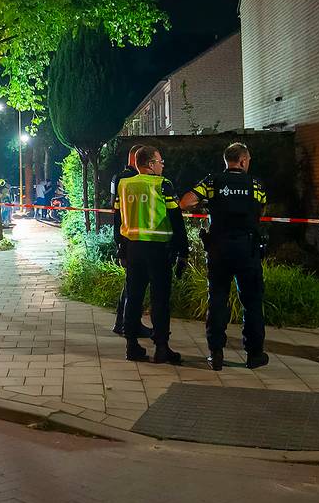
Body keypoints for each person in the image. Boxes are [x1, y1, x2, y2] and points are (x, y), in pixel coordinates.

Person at [181, 142, 270, 371]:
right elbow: (261, 209)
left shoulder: (213, 181)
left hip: (219, 248)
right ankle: (254, 354)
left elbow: (186, 202)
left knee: (218, 299)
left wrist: (205, 205)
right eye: (247, 160)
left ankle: (216, 353)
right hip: (247, 249)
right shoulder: (256, 184)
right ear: (242, 161)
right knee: (251, 301)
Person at [115, 146, 188, 364]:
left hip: (133, 248)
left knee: (133, 296)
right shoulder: (163, 185)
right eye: (160, 161)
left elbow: (117, 218)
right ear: (150, 164)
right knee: (160, 299)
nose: (162, 165)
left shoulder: (124, 184)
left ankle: (131, 346)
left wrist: (120, 246)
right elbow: (176, 219)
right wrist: (183, 251)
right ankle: (162, 348)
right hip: (158, 250)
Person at [110, 147, 140, 337]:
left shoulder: (117, 177)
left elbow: (114, 205)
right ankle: (125, 324)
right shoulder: (134, 179)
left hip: (122, 234)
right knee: (132, 283)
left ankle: (123, 322)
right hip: (131, 237)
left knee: (131, 281)